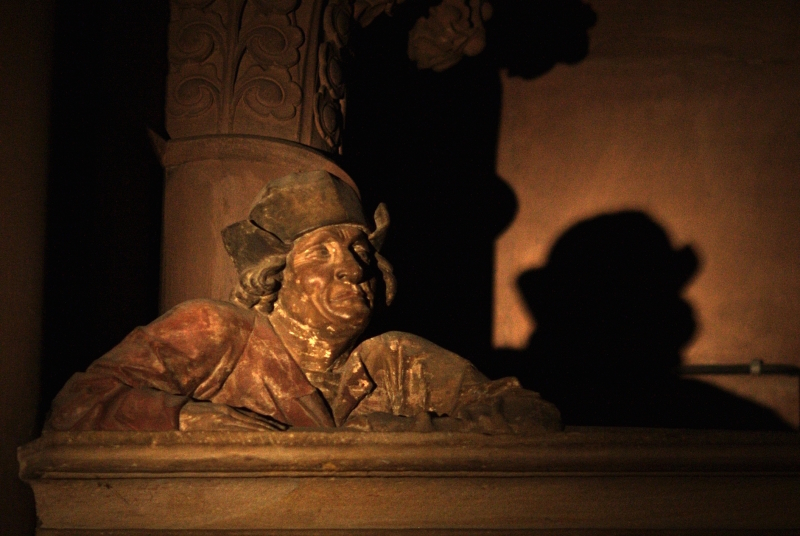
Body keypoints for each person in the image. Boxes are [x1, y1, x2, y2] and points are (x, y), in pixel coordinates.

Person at [46, 171, 560, 433]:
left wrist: (404, 433)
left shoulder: (397, 360)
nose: (353, 267)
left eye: (361, 249)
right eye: (322, 251)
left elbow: (527, 414)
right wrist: (187, 418)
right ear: (278, 273)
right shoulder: (216, 330)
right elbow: (77, 406)